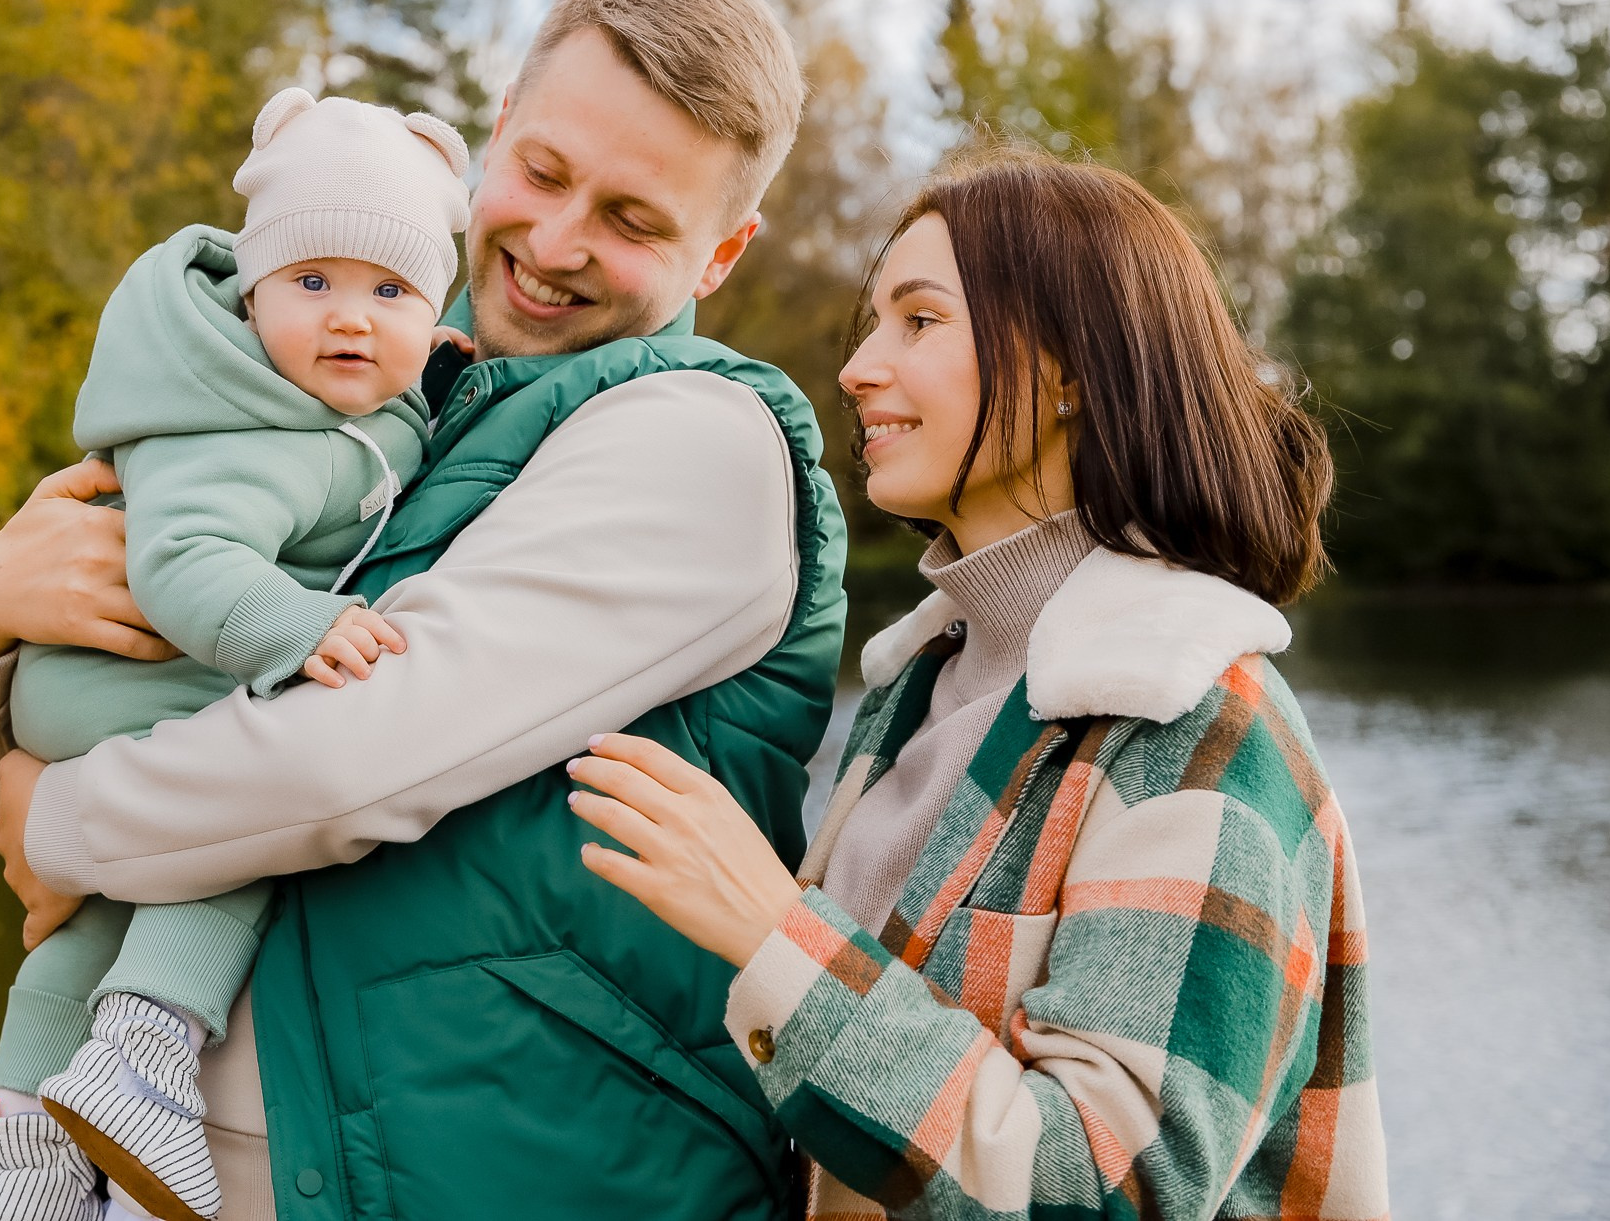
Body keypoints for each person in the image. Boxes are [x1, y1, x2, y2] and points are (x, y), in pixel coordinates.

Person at [0, 0, 850, 1220]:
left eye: (633, 219)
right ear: (495, 123)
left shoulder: (701, 442)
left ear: (723, 252)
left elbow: (343, 762)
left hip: (531, 1180)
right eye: (545, 172)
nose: (557, 244)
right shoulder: (365, 375)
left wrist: (55, 821)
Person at [569, 151, 1390, 1220]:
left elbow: (1109, 1192)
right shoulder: (925, 686)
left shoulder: (1196, 726)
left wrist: (779, 935)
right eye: (872, 324)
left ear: (1070, 373)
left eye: (918, 321)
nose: (859, 367)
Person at [0, 88, 472, 1221]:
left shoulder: (318, 408)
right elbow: (182, 563)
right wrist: (304, 629)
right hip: (142, 679)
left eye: (392, 291)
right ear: (253, 291)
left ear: (436, 310)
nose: (350, 318)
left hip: (104, 694)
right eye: (313, 283)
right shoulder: (245, 422)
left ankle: (25, 1141)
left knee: (86, 922)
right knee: (244, 819)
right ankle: (143, 1056)